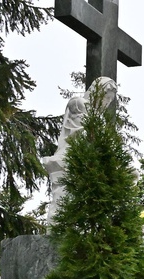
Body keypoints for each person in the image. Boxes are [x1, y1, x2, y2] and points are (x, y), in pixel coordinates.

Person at [42, 77, 118, 225]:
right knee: (63, 201)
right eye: (106, 97)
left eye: (110, 100)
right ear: (97, 93)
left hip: (88, 159)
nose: (107, 103)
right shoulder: (78, 103)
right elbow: (87, 132)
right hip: (71, 157)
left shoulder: (97, 116)